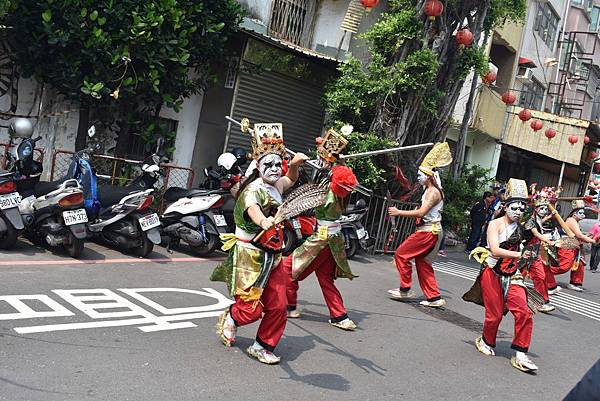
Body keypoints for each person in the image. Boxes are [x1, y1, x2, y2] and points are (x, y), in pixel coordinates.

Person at [210, 121, 308, 365]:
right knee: (250, 309)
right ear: (258, 166)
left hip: (273, 256)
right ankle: (232, 316)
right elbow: (254, 211)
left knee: (278, 304)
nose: (276, 169)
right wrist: (265, 221)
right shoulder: (252, 190)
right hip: (249, 257)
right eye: (269, 164)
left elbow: (290, 180)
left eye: (278, 164)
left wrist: (294, 165)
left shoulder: (275, 185)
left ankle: (263, 345)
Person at [284, 126, 358, 330]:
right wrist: (336, 162)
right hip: (334, 237)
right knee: (325, 278)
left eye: (321, 156)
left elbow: (310, 193)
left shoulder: (330, 188)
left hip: (322, 238)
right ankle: (340, 316)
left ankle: (289, 307)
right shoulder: (338, 182)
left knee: (287, 270)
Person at [465, 178, 538, 373]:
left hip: (513, 274)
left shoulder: (523, 228)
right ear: (505, 206)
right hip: (493, 272)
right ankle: (486, 340)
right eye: (514, 207)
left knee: (524, 312)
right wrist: (520, 254)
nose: (518, 212)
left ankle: (521, 354)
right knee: (495, 315)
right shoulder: (494, 225)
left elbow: (537, 239)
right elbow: (495, 250)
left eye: (522, 209)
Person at [387, 142, 453, 308]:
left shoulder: (432, 192)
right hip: (430, 230)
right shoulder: (430, 190)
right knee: (423, 264)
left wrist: (399, 212)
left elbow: (421, 213)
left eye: (420, 174)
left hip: (427, 232)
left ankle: (405, 289)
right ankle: (434, 297)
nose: (417, 177)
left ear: (429, 176)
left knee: (401, 254)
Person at [545, 200, 595, 293]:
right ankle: (544, 273)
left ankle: (575, 283)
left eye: (583, 212)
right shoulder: (571, 220)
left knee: (579, 264)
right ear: (574, 214)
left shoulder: (575, 221)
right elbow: (579, 235)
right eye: (580, 213)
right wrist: (592, 241)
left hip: (575, 246)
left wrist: (588, 237)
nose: (583, 214)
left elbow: (579, 236)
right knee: (564, 266)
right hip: (567, 245)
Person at [523, 187, 560, 313]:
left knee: (540, 276)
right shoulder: (530, 221)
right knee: (515, 276)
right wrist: (548, 240)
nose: (544, 211)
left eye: (545, 209)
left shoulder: (538, 220)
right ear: (536, 209)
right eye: (542, 209)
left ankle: (542, 301)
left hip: (534, 253)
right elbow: (535, 233)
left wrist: (550, 216)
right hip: (524, 252)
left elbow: (540, 223)